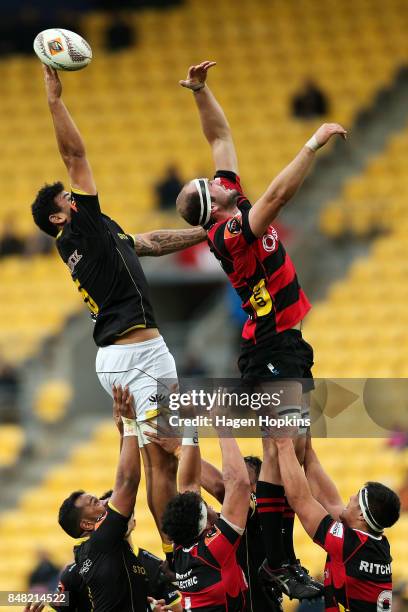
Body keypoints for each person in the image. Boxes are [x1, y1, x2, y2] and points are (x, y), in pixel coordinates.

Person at [176, 60, 346, 595]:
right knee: (284, 447)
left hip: (280, 343)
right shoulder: (229, 235)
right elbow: (276, 198)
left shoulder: (227, 200)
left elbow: (220, 136)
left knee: (284, 449)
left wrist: (201, 92)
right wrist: (312, 146)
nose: (217, 178)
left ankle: (277, 559)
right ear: (214, 207)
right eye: (210, 185)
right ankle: (278, 558)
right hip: (271, 345)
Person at [31, 66, 207, 560]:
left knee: (164, 461)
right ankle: (182, 549)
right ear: (59, 217)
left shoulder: (99, 239)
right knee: (169, 452)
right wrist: (54, 99)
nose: (78, 195)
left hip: (138, 350)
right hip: (134, 355)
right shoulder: (79, 233)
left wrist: (209, 233)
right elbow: (75, 153)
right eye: (69, 197)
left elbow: (149, 242)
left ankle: (182, 546)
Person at [56, 385, 181, 612]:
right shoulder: (99, 544)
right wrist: (131, 424)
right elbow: (127, 483)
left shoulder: (113, 551)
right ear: (86, 525)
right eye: (95, 502)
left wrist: (125, 433)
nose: (106, 501)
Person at [275, 436, 400, 611]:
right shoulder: (370, 542)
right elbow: (327, 499)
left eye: (355, 499)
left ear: (362, 516)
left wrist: (283, 442)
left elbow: (299, 499)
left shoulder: (349, 545)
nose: (349, 498)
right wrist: (304, 433)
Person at [161, 424, 250, 611]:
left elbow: (189, 483)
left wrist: (189, 422)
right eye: (206, 507)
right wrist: (223, 427)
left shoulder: (181, 547)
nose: (210, 505)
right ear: (205, 525)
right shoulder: (215, 549)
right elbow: (239, 483)